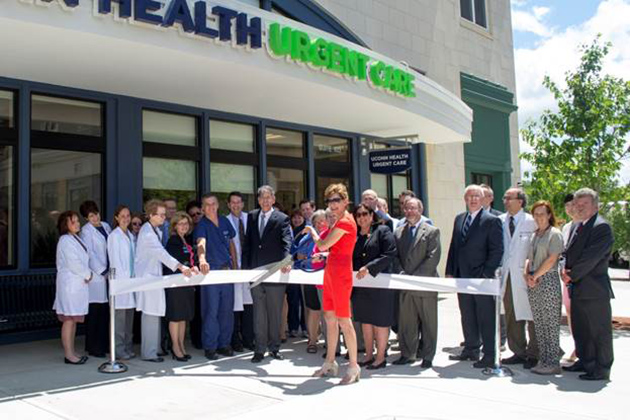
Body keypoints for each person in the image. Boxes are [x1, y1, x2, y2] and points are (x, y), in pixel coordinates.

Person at [304, 183, 360, 385]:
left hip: (341, 275)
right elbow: (331, 249)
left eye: (337, 200)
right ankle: (330, 362)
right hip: (330, 272)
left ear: (345, 201)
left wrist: (312, 232)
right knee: (329, 317)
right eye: (330, 201)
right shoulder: (338, 221)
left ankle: (353, 366)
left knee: (344, 320)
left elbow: (323, 244)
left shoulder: (346, 222)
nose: (333, 204)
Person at [446, 185, 503, 368]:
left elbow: (497, 250)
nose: (473, 199)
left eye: (477, 196)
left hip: (482, 279)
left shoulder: (492, 220)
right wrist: (450, 271)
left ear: (484, 198)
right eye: (470, 196)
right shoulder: (459, 219)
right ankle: (471, 349)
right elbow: (454, 246)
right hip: (462, 277)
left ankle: (489, 354)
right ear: (465, 199)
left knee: (486, 317)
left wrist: (485, 273)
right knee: (467, 314)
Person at [561, 188, 615, 381]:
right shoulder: (578, 226)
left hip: (594, 290)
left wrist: (571, 275)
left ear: (595, 205)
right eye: (577, 204)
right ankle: (585, 361)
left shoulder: (601, 227)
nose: (579, 208)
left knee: (598, 331)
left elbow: (590, 258)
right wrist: (564, 269)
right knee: (582, 329)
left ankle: (601, 368)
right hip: (577, 288)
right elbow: (568, 253)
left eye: (584, 204)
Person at [135, 199, 193, 362]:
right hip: (148, 278)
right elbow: (162, 254)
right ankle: (149, 353)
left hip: (155, 277)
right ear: (151, 215)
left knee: (154, 315)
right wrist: (181, 267)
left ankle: (154, 350)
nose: (163, 217)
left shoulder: (155, 230)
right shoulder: (147, 233)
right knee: (150, 316)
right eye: (160, 215)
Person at [242, 185, 292, 363]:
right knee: (259, 313)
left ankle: (274, 347)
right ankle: (259, 349)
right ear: (258, 200)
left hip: (275, 272)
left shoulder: (283, 218)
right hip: (255, 273)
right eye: (261, 197)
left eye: (268, 197)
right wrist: (246, 269)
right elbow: (248, 243)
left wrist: (286, 261)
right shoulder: (252, 216)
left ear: (273, 199)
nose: (265, 200)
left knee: (274, 312)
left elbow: (287, 242)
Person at [393, 198, 441, 369]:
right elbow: (396, 257)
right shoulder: (398, 232)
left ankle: (428, 356)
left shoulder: (432, 231)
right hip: (405, 285)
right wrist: (402, 274)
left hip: (425, 285)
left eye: (413, 208)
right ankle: (407, 354)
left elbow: (433, 257)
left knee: (429, 323)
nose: (409, 211)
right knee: (407, 323)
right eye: (406, 208)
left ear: (420, 210)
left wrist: (414, 277)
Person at [351, 204, 397, 370]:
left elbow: (390, 253)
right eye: (358, 215)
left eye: (365, 214)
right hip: (360, 286)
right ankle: (369, 355)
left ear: (372, 216)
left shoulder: (383, 231)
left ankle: (380, 357)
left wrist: (369, 267)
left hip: (380, 284)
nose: (362, 217)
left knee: (380, 321)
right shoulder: (355, 235)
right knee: (366, 321)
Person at [499, 188, 538, 369]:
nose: (505, 201)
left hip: (528, 276)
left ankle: (534, 353)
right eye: (504, 198)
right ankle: (518, 351)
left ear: (520, 201)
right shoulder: (500, 221)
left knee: (532, 315)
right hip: (508, 275)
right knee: (511, 316)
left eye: (509, 198)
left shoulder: (531, 221)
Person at [195, 194, 238, 360]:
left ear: (218, 205)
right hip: (211, 272)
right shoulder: (202, 225)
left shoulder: (225, 221)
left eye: (213, 204)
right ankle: (210, 346)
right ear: (203, 208)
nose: (211, 207)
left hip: (227, 271)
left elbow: (231, 243)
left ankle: (224, 344)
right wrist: (202, 259)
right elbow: (201, 242)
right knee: (211, 310)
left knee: (227, 310)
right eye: (207, 204)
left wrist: (235, 264)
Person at [523, 201, 564, 375]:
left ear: (549, 215)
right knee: (539, 323)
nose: (539, 217)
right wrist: (527, 275)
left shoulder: (554, 234)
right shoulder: (534, 234)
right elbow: (528, 259)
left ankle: (553, 362)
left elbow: (552, 259)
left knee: (550, 324)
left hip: (547, 281)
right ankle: (544, 359)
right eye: (536, 214)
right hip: (533, 281)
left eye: (542, 213)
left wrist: (536, 275)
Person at [53, 211, 92, 364]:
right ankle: (69, 355)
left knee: (73, 319)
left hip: (77, 284)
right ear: (65, 225)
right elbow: (73, 263)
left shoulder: (75, 238)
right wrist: (88, 275)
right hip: (70, 285)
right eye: (73, 222)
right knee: (69, 320)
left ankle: (72, 351)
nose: (77, 224)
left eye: (77, 221)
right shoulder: (65, 241)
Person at [164, 212, 198, 362]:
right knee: (176, 317)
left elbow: (190, 260)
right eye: (181, 224)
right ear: (174, 226)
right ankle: (175, 347)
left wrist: (194, 267)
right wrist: (188, 267)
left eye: (186, 223)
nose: (184, 226)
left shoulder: (186, 241)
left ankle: (181, 346)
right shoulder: (173, 241)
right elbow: (176, 262)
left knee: (183, 317)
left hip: (187, 284)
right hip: (175, 284)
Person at [79, 200, 111, 358]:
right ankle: (93, 347)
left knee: (105, 312)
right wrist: (103, 271)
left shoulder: (106, 226)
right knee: (95, 313)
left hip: (110, 274)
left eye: (96, 213)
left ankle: (104, 345)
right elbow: (89, 254)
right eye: (91, 216)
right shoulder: (86, 231)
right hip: (97, 276)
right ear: (86, 218)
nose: (95, 218)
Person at [293, 209, 327, 353]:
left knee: (327, 312)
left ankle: (329, 341)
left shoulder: (331, 236)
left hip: (327, 279)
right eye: (317, 222)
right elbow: (299, 257)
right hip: (309, 278)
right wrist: (308, 260)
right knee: (313, 311)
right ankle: (312, 341)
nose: (320, 224)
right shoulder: (306, 239)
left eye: (322, 221)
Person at [107, 205, 137, 360]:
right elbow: (115, 262)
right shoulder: (114, 236)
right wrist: (124, 281)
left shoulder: (131, 236)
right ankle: (118, 350)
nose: (126, 218)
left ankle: (127, 347)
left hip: (131, 283)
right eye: (122, 216)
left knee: (128, 320)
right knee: (119, 321)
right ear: (117, 218)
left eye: (128, 215)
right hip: (120, 283)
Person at [226, 191, 254, 353]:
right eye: (233, 202)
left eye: (239, 202)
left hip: (250, 268)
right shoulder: (225, 221)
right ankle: (235, 341)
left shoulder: (250, 219)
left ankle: (249, 340)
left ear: (243, 204)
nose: (236, 205)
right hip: (233, 269)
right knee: (235, 307)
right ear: (229, 205)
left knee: (249, 306)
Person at [560, 193, 578, 362]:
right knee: (571, 313)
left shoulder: (585, 226)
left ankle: (582, 347)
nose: (570, 209)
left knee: (582, 315)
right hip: (566, 279)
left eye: (573, 205)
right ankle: (576, 345)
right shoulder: (566, 228)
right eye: (567, 206)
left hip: (580, 278)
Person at [288, 209, 307, 337]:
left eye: (299, 217)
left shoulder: (307, 231)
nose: (297, 219)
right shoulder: (288, 231)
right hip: (291, 270)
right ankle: (293, 327)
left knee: (304, 300)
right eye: (294, 217)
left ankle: (305, 328)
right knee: (293, 300)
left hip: (305, 270)